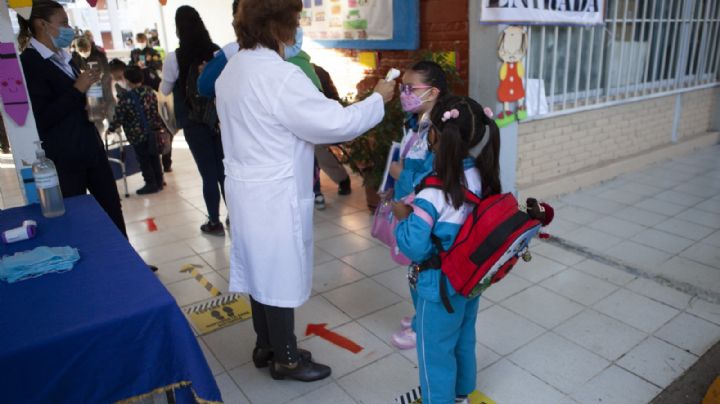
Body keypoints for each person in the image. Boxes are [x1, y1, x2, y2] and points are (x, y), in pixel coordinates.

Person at [216, 0, 395, 382]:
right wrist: (379, 97)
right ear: (278, 25)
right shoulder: (279, 76)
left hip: (247, 190)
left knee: (259, 270)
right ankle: (287, 359)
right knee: (277, 273)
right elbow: (335, 124)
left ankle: (266, 344)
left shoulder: (233, 69)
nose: (298, 30)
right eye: (295, 21)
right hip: (274, 194)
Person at [393, 95, 501, 404]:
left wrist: (403, 219)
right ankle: (461, 395)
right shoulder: (482, 175)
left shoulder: (432, 192)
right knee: (464, 339)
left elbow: (415, 245)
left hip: (437, 287)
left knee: (435, 352)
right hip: (469, 279)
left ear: (434, 135)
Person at [18, 0, 127, 237]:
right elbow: (42, 117)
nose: (69, 29)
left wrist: (91, 94)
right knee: (78, 218)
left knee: (111, 208)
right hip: (65, 158)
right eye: (63, 23)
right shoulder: (30, 63)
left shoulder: (67, 58)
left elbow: (75, 99)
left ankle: (130, 264)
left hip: (91, 147)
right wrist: (77, 89)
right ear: (42, 24)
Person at [389, 60, 449, 350]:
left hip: (423, 214)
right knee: (416, 270)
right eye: (404, 88)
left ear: (434, 91)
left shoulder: (437, 131)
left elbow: (432, 177)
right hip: (412, 208)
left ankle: (422, 328)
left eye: (411, 88)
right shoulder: (418, 122)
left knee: (422, 273)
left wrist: (402, 175)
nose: (405, 93)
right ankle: (419, 316)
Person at [160, 6, 226, 235]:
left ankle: (214, 222)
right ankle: (236, 218)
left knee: (208, 173)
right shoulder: (217, 53)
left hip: (193, 123)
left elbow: (165, 89)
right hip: (218, 121)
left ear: (178, 29)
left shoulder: (173, 59)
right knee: (224, 171)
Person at [107, 66, 164, 195]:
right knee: (154, 157)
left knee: (144, 160)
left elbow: (119, 115)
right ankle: (159, 182)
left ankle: (151, 184)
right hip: (152, 131)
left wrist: (111, 128)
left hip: (137, 134)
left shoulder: (126, 97)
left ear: (127, 80)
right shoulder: (149, 91)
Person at [313, 63, 352, 199]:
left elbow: (333, 112)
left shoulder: (317, 73)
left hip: (328, 126)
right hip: (313, 128)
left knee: (314, 148)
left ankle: (342, 179)